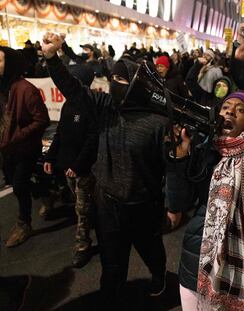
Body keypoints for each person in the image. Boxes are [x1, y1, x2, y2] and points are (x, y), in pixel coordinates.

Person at [42, 33, 169, 307]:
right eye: (113, 78)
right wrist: (52, 57)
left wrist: (173, 201)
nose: (115, 84)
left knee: (151, 251)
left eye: (122, 80)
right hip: (107, 202)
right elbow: (73, 89)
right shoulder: (104, 108)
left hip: (144, 204)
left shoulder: (157, 122)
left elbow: (168, 167)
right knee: (112, 264)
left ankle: (160, 277)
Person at [167, 40, 244, 311]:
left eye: (240, 110)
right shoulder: (204, 149)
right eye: (226, 108)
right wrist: (179, 157)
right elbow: (179, 201)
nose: (230, 112)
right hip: (196, 263)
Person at [43, 64, 98, 269]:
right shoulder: (68, 105)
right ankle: (97, 222)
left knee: (82, 209)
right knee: (80, 204)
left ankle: (82, 246)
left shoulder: (89, 105)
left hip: (82, 169)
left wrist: (77, 165)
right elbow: (60, 134)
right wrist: (50, 157)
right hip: (67, 167)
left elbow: (92, 139)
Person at [0, 46, 50, 247]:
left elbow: (41, 120)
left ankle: (24, 224)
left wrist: (16, 136)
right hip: (7, 149)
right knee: (14, 180)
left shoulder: (26, 89)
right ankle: (46, 193)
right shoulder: (3, 87)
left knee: (20, 184)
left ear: (9, 63)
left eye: (0, 60)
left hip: (25, 147)